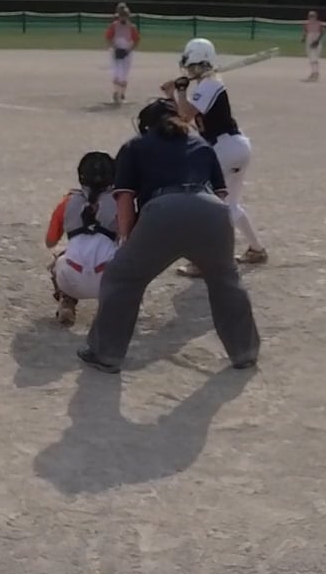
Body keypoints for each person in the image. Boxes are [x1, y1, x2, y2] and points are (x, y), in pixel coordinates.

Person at [79, 98, 260, 375]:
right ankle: (244, 351)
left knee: (122, 277)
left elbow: (125, 198)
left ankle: (106, 354)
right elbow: (221, 196)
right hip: (212, 211)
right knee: (226, 280)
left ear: (146, 125)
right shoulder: (201, 145)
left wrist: (126, 239)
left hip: (163, 210)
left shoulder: (135, 146)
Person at [165, 37, 268, 269]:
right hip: (232, 147)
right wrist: (174, 94)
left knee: (206, 205)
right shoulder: (206, 86)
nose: (189, 70)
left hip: (226, 149)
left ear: (201, 62)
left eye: (192, 66)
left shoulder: (210, 85)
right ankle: (257, 249)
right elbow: (184, 118)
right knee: (230, 205)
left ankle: (204, 260)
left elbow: (186, 114)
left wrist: (180, 90)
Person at [43, 151, 120, 328]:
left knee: (58, 259)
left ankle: (67, 301)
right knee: (126, 258)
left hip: (71, 278)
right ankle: (114, 307)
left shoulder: (67, 202)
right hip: (109, 279)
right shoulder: (120, 202)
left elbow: (50, 242)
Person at [105, 2, 141, 104]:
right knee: (116, 73)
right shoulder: (114, 26)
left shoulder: (132, 27)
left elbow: (136, 40)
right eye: (122, 15)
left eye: (125, 15)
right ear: (119, 16)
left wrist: (128, 51)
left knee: (124, 75)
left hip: (127, 52)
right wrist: (115, 48)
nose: (123, 17)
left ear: (128, 16)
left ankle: (122, 94)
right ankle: (116, 93)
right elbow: (108, 38)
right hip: (115, 52)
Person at [302, 10, 324, 81]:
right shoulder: (307, 23)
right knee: (311, 57)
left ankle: (315, 73)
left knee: (314, 57)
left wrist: (317, 41)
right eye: (310, 16)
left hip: (316, 40)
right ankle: (314, 72)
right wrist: (304, 38)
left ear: (316, 16)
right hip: (309, 40)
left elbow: (322, 32)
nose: (311, 17)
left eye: (313, 16)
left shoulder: (318, 23)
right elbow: (306, 31)